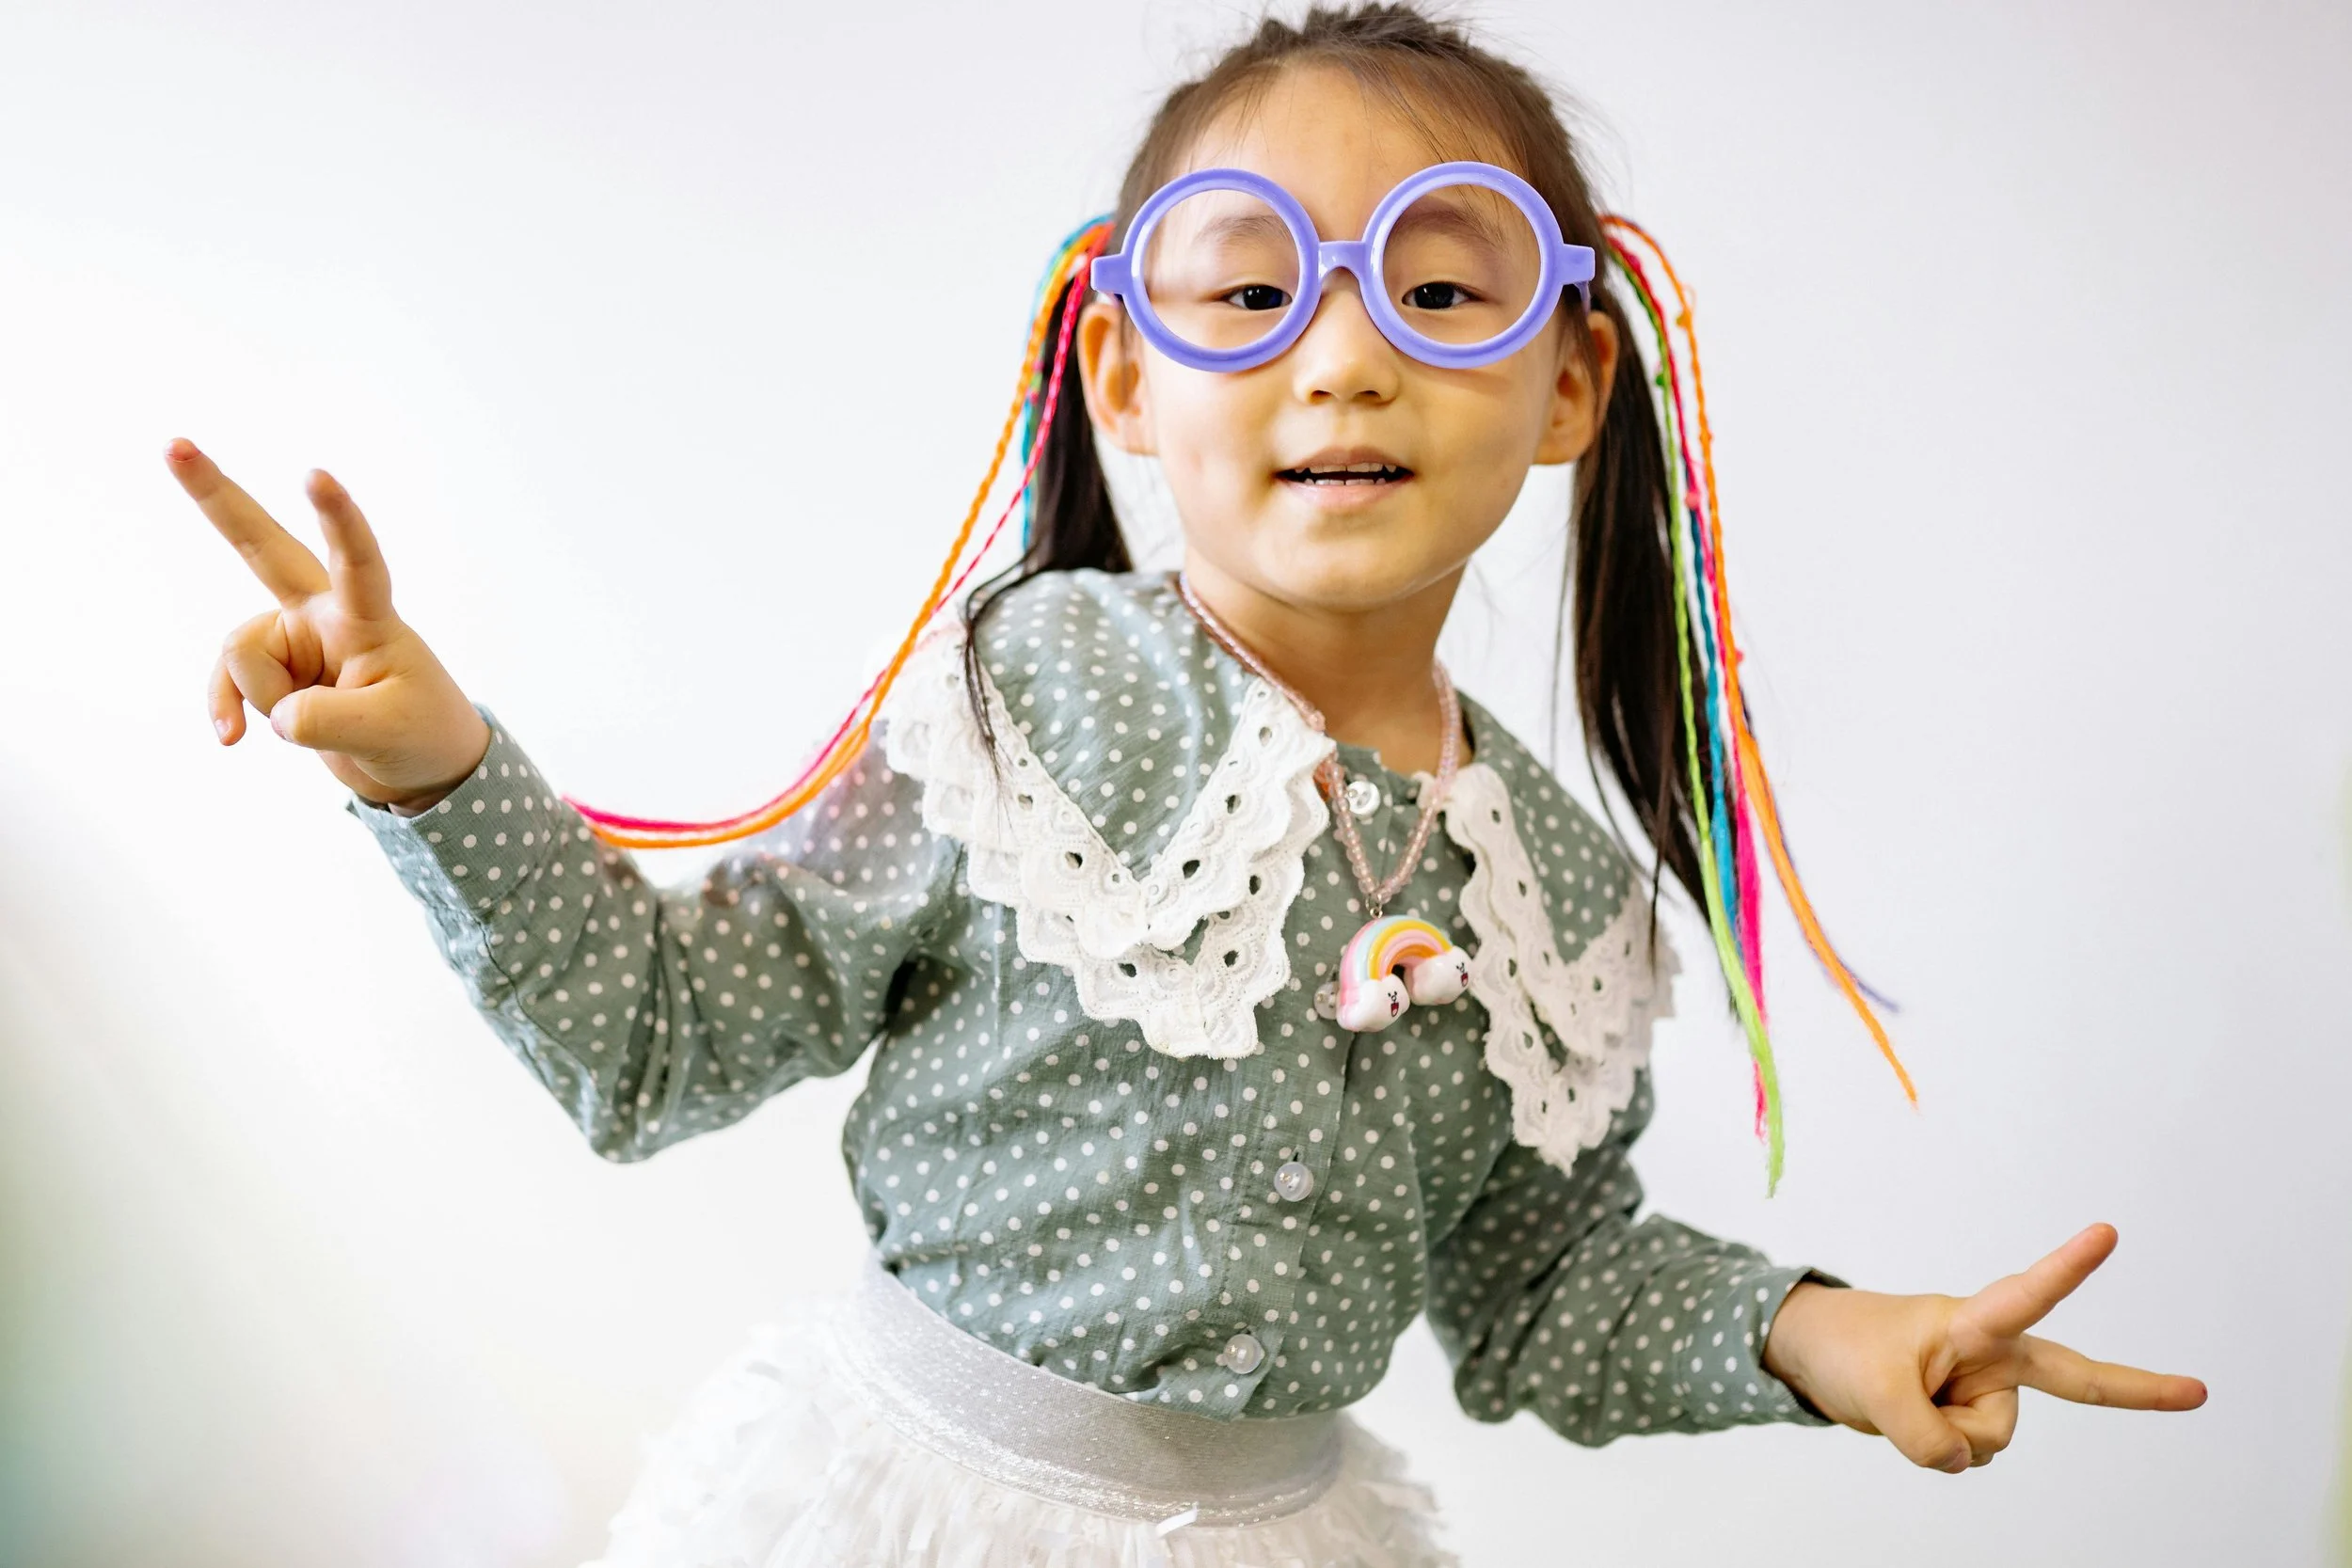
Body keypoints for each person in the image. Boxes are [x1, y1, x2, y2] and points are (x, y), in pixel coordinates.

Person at [167, 6, 2206, 1562]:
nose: (1344, 354)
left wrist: (1823, 1336)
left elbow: (1541, 1284)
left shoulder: (1563, 896)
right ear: (1127, 371)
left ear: (1570, 382)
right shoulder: (1021, 701)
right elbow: (664, 1038)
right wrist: (437, 769)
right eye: (1250, 288)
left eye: (1442, 284)